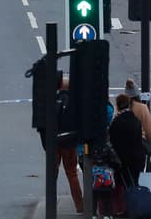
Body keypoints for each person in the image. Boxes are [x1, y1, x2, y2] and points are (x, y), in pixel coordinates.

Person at [39, 74, 84, 213]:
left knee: (52, 174)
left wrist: (46, 144)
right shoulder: (73, 104)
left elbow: (43, 124)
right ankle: (79, 205)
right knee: (72, 173)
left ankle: (51, 203)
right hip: (69, 143)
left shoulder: (52, 101)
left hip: (54, 142)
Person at [109, 94, 147, 190]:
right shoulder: (135, 120)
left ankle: (124, 198)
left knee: (121, 184)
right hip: (137, 158)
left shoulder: (116, 122)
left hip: (123, 160)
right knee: (134, 182)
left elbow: (112, 141)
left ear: (117, 106)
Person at [123, 79, 151, 153]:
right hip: (139, 142)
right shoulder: (142, 108)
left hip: (123, 142)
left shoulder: (121, 106)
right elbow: (149, 128)